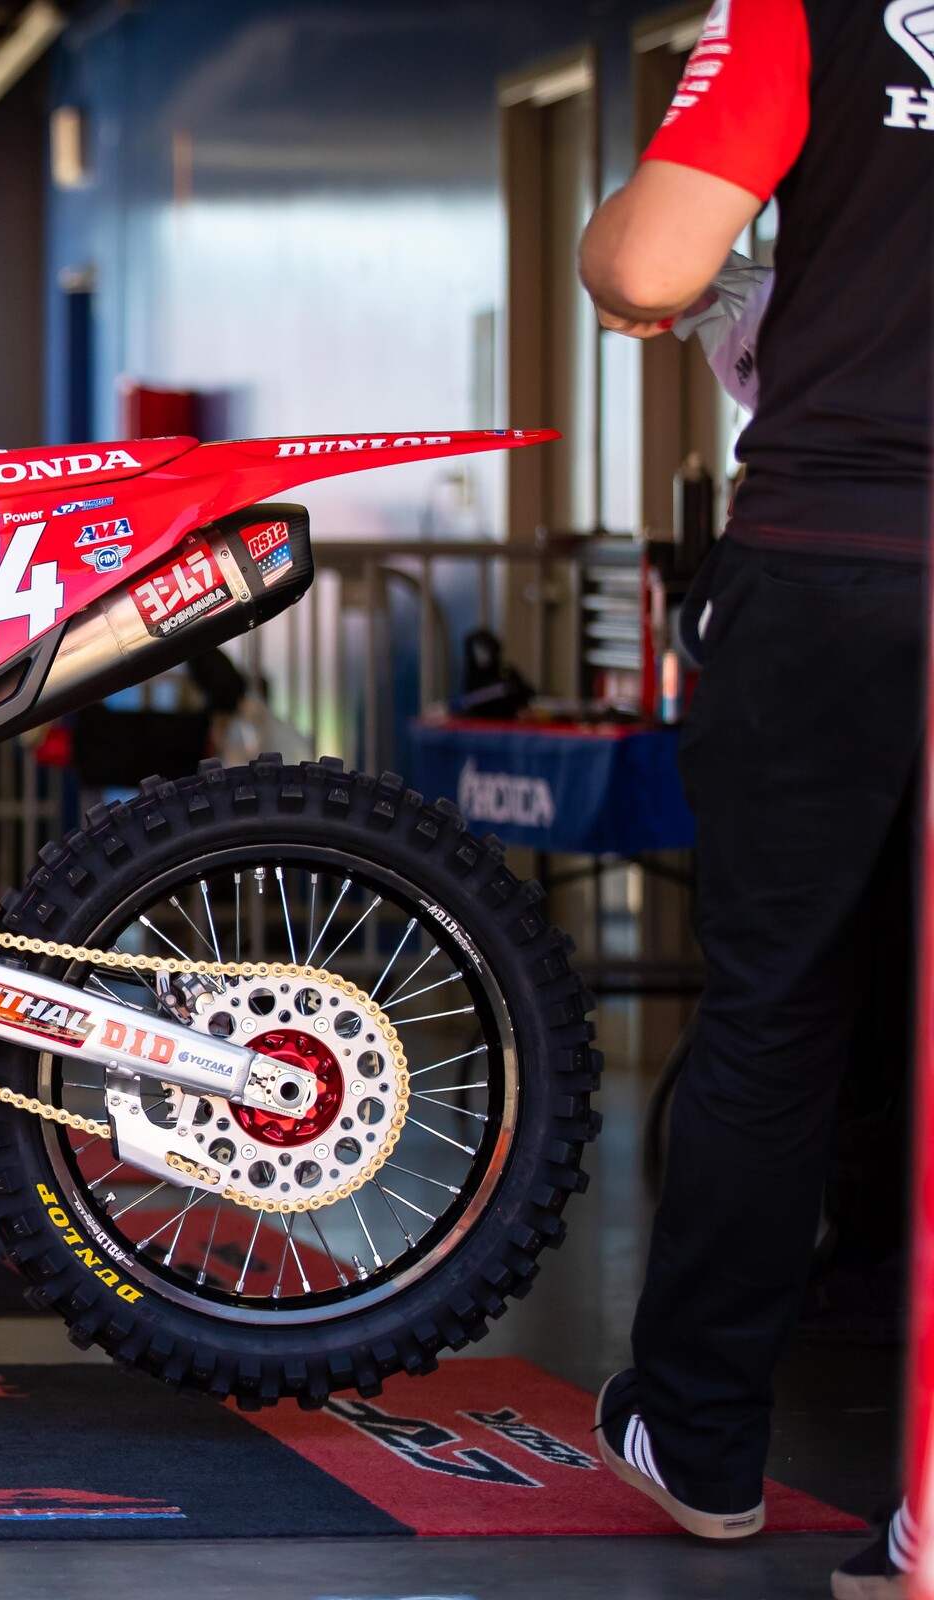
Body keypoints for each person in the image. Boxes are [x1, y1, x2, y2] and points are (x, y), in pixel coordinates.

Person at [577, 0, 931, 1592]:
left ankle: (705, 1439)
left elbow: (654, 265)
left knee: (779, 1005)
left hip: (844, 558)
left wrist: (632, 263)